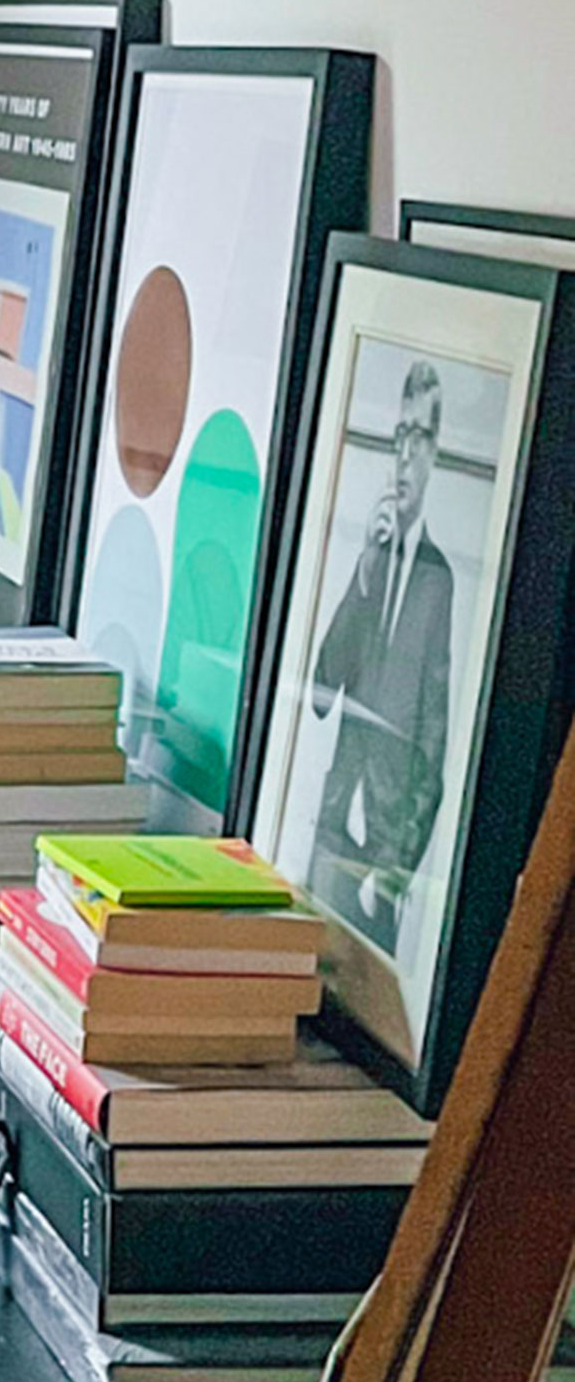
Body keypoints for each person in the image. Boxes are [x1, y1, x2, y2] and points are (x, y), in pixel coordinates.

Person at [307, 358, 457, 954]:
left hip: (382, 854)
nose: (405, 455)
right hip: (333, 830)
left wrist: (397, 867)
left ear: (434, 452)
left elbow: (433, 743)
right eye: (399, 435)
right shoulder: (372, 557)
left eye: (419, 437)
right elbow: (321, 690)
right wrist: (366, 568)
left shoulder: (438, 579)